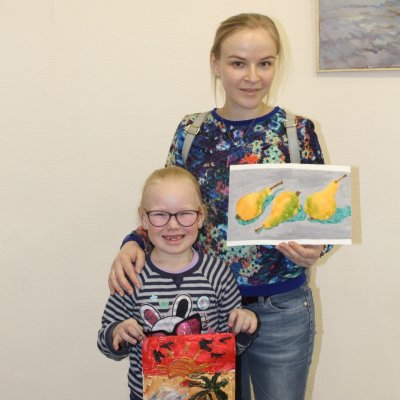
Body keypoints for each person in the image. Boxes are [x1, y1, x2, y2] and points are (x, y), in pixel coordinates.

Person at [108, 13, 332, 400]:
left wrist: (316, 248)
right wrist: (134, 241)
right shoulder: (192, 132)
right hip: (204, 308)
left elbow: (320, 220)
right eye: (238, 63)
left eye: (265, 63)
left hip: (281, 308)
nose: (252, 76)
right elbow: (168, 204)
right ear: (215, 63)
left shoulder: (297, 132)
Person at [98, 166, 259, 400]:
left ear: (200, 217)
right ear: (144, 219)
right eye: (160, 214)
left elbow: (230, 348)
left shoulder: (217, 273)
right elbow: (105, 342)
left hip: (207, 393)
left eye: (184, 213)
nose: (173, 225)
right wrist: (117, 332)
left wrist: (244, 327)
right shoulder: (132, 276)